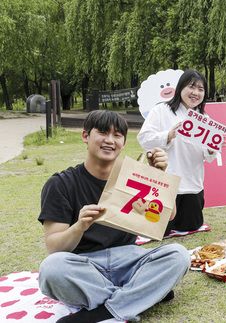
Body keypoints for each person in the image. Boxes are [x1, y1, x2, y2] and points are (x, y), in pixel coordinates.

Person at [38, 110, 189, 323]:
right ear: (85, 136)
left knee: (179, 255)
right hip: (85, 265)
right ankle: (142, 295)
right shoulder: (60, 184)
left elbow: (167, 216)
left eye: (117, 135)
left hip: (130, 259)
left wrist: (159, 176)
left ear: (124, 142)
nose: (110, 140)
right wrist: (79, 226)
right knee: (51, 269)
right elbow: (54, 247)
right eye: (102, 132)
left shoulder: (133, 176)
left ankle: (105, 312)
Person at [138, 69, 217, 232]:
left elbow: (208, 157)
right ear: (180, 87)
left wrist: (211, 149)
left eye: (201, 89)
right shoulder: (161, 110)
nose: (195, 93)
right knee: (160, 229)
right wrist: (168, 135)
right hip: (165, 184)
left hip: (192, 185)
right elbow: (144, 138)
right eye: (191, 87)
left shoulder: (205, 120)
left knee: (191, 226)